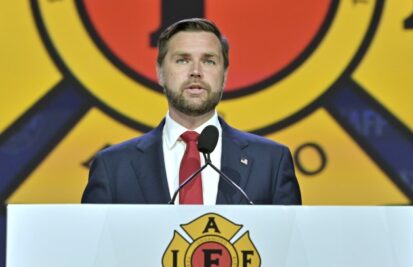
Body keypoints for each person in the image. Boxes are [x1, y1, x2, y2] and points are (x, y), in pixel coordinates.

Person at [82, 18, 301, 205]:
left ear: (224, 74)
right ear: (159, 72)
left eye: (209, 61)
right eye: (182, 60)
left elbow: (289, 250)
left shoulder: (271, 162)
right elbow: (91, 250)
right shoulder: (113, 167)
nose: (196, 72)